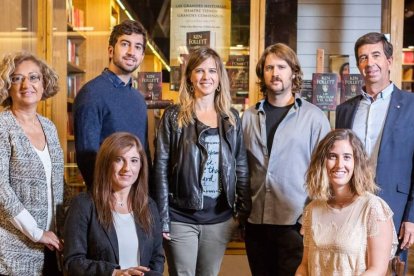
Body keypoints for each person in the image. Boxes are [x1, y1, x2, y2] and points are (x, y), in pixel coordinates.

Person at [153, 46, 251, 276]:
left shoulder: (231, 117)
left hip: (219, 219)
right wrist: (163, 218)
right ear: (189, 77)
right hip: (180, 218)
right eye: (199, 71)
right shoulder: (174, 116)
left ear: (220, 78)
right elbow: (161, 169)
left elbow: (241, 167)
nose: (206, 77)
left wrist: (241, 213)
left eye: (212, 71)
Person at [241, 43, 331, 275]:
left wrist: (308, 219)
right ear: (262, 73)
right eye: (269, 67)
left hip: (295, 224)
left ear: (294, 72)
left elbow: (323, 172)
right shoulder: (248, 117)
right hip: (256, 224)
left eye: (282, 66)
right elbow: (239, 167)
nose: (275, 73)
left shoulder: (314, 118)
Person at [336, 32, 414, 263]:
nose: (370, 63)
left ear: (389, 61)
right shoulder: (345, 110)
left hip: (395, 209)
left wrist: (411, 216)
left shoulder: (411, 106)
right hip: (350, 207)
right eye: (363, 58)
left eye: (376, 55)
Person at [295, 129, 398, 275]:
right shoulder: (312, 209)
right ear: (322, 162)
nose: (339, 164)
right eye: (332, 156)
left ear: (357, 162)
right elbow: (305, 265)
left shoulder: (373, 208)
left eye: (347, 157)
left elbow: (377, 270)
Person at [64, 132, 164, 276]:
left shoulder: (149, 206)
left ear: (141, 165)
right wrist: (114, 273)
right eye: (119, 159)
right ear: (105, 163)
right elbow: (73, 262)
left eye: (134, 160)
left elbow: (157, 258)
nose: (127, 168)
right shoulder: (83, 205)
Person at [0, 52, 64, 275]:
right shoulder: (3, 126)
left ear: (44, 82)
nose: (27, 84)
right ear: (8, 86)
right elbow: (1, 190)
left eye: (34, 77)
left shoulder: (49, 127)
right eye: (17, 78)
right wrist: (36, 232)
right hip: (12, 251)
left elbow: (56, 183)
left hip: (52, 245)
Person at [73, 19, 148, 189]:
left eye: (137, 47)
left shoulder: (138, 99)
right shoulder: (91, 94)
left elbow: (143, 153)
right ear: (110, 50)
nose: (131, 52)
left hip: (135, 197)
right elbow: (87, 157)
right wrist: (107, 198)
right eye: (125, 44)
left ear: (142, 56)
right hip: (106, 197)